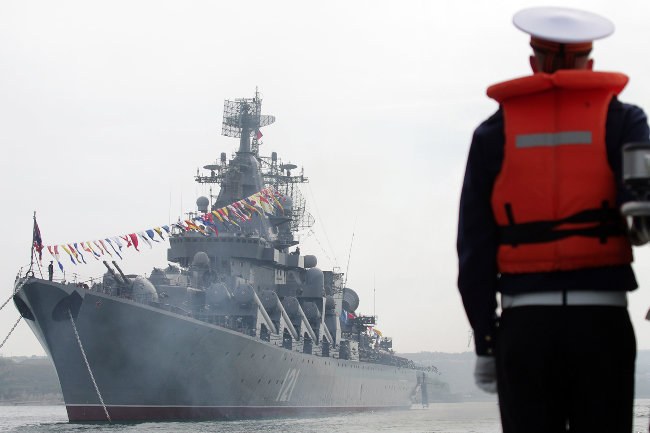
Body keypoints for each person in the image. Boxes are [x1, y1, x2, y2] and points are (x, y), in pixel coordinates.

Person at [457, 7, 650, 433]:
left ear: (533, 62)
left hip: (525, 327)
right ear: (590, 63)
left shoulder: (492, 133)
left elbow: (474, 246)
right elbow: (641, 208)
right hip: (603, 324)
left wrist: (486, 341)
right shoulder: (625, 121)